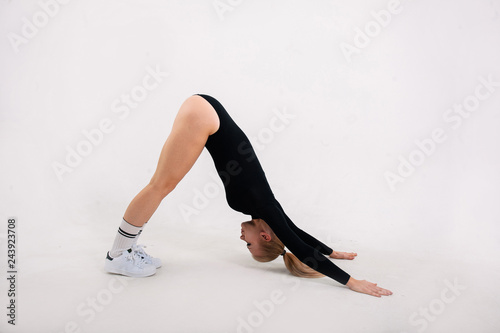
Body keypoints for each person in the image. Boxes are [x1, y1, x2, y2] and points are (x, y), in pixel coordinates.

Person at [104, 94, 393, 298]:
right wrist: (351, 281)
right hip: (204, 117)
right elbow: (299, 245)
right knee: (160, 186)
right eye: (250, 245)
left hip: (208, 112)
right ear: (265, 236)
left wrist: (331, 251)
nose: (243, 240)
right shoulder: (264, 206)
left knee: (161, 185)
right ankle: (117, 254)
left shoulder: (264, 210)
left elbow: (296, 233)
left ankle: (125, 250)